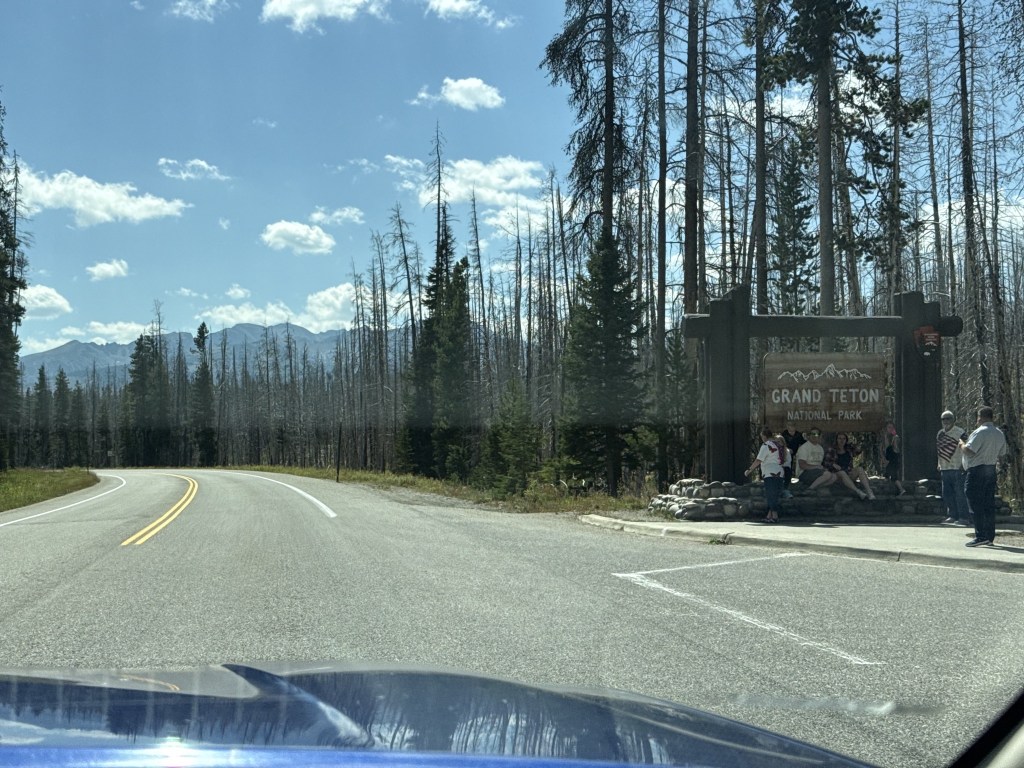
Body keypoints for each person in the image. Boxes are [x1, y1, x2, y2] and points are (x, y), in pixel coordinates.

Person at [960, 406, 1008, 547]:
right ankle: (989, 536)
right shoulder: (999, 433)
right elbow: (1003, 452)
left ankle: (980, 535)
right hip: (991, 469)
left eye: (978, 417)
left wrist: (961, 444)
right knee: (988, 503)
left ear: (981, 417)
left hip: (977, 469)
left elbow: (970, 450)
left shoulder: (979, 432)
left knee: (974, 501)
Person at [936, 410, 970, 525]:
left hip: (957, 467)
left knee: (960, 493)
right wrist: (939, 463)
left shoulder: (960, 432)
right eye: (943, 419)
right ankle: (952, 515)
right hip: (945, 467)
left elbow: (967, 448)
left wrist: (964, 464)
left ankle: (964, 517)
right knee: (947, 493)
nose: (946, 421)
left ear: (953, 420)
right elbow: (939, 449)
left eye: (948, 418)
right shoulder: (940, 433)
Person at [745, 428, 785, 522]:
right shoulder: (779, 445)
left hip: (770, 472)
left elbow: (759, 460)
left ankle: (775, 516)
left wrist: (749, 470)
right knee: (775, 494)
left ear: (764, 435)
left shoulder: (766, 445)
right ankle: (769, 516)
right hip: (779, 472)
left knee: (770, 494)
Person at [825, 433, 876, 500]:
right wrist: (833, 464)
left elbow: (858, 451)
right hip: (837, 476)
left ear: (846, 440)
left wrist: (857, 446)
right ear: (836, 440)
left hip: (848, 473)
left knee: (860, 469)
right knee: (842, 472)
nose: (841, 440)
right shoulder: (831, 449)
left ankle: (869, 491)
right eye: (839, 438)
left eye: (844, 438)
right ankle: (858, 491)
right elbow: (826, 463)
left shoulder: (848, 449)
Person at [883, 422, 906, 496]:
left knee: (893, 477)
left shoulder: (895, 438)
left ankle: (901, 489)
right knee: (890, 476)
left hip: (893, 462)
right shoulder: (887, 438)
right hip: (892, 461)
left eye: (891, 427)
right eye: (888, 427)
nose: (890, 429)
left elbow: (893, 449)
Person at [781, 423, 804, 494]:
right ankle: (786, 482)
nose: (791, 427)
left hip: (795, 451)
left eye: (793, 426)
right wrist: (787, 449)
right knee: (787, 466)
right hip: (786, 452)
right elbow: (781, 443)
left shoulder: (798, 434)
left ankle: (789, 480)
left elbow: (802, 442)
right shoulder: (784, 434)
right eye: (790, 426)